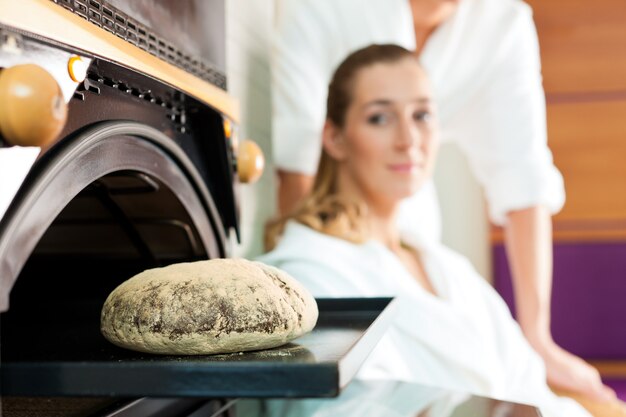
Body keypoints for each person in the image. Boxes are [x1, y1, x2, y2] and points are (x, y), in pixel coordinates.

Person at [270, 0, 614, 401]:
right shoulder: (317, 273)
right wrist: (300, 262)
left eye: (423, 116)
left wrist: (538, 340)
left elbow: (523, 174)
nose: (408, 140)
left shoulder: (454, 275)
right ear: (335, 137)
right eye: (379, 117)